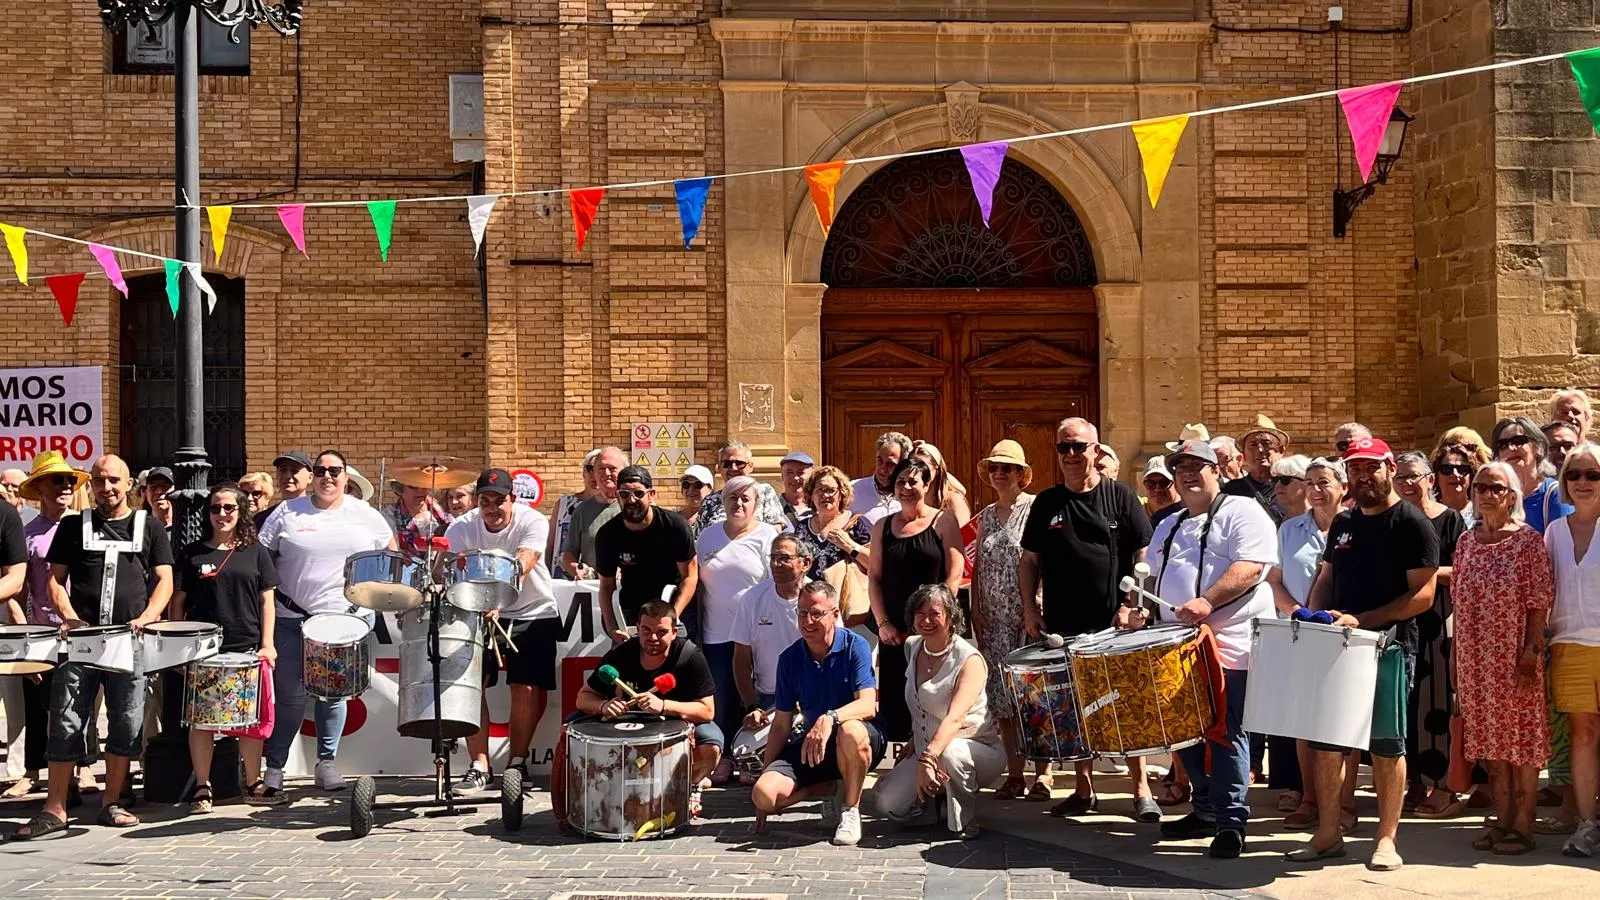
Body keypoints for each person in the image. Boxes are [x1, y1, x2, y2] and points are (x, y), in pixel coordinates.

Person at [1292, 437, 1439, 871]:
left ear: (1390, 467)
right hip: (1336, 646)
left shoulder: (1412, 522)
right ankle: (1328, 833)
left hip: (1389, 649)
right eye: (1355, 468)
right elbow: (1327, 576)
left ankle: (1386, 840)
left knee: (1386, 747)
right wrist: (1313, 612)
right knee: (1327, 745)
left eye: (1371, 467)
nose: (1363, 475)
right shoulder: (1343, 522)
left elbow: (1423, 596)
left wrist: (1366, 619)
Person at [1129, 439, 1276, 859]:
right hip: (1176, 645)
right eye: (1181, 468)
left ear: (1218, 471)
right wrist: (1138, 610)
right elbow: (1149, 578)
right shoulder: (1168, 524)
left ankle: (1231, 821)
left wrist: (1208, 600)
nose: (1189, 474)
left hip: (1229, 644)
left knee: (1225, 730)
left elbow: (1250, 567)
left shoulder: (1243, 511)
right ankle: (1207, 807)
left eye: (1199, 466)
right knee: (1180, 729)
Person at [14, 455, 173, 839]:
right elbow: (55, 581)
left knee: (126, 718)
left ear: (128, 482)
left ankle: (112, 801)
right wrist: (68, 615)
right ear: (92, 485)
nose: (107, 488)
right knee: (66, 717)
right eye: (100, 481)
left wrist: (150, 615)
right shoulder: (73, 526)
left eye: (114, 480)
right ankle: (55, 808)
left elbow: (164, 579)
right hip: (81, 641)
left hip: (128, 640)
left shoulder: (148, 525)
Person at [1018, 417, 1155, 819]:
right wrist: (1030, 608)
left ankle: (1140, 788)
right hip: (1062, 625)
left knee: (1126, 706)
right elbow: (1030, 560)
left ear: (1096, 450)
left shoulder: (1121, 497)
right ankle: (1083, 788)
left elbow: (1143, 555)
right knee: (1076, 708)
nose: (1073, 455)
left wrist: (1131, 603)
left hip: (1115, 623)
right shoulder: (1047, 502)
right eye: (1065, 448)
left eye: (1080, 447)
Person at [259, 450, 395, 795]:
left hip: (344, 622)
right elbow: (263, 558)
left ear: (346, 476)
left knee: (332, 697)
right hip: (292, 618)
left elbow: (389, 554)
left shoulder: (365, 514)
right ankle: (275, 768)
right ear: (311, 476)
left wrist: (372, 594)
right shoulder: (287, 511)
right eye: (320, 470)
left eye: (335, 471)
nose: (327, 477)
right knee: (288, 697)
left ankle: (327, 763)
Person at [1451, 459, 1553, 856]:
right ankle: (1502, 818)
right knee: (1491, 746)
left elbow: (1539, 602)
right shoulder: (1465, 542)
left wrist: (1531, 651)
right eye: (1481, 487)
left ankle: (1524, 825)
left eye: (1497, 488)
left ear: (1513, 496)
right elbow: (1458, 602)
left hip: (1515, 657)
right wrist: (1458, 662)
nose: (1487, 495)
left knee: (1522, 744)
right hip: (1477, 660)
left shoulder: (1527, 541)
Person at [444, 468, 557, 796]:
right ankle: (480, 765)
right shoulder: (463, 526)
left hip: (532, 611)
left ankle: (517, 763)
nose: (492, 508)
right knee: (469, 686)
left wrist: (499, 594)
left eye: (499, 501)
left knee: (525, 688)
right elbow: (448, 564)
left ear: (513, 499)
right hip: (476, 610)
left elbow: (526, 559)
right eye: (485, 501)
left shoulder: (532, 520)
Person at [171, 483, 282, 810]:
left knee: (248, 721)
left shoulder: (256, 552)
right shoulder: (192, 553)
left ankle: (253, 781)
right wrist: (180, 648)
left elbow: (267, 602)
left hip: (246, 647)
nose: (222, 514)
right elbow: (177, 603)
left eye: (229, 508)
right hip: (204, 651)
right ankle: (203, 787)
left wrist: (268, 644)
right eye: (215, 508)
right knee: (202, 722)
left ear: (241, 511)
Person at [751, 581, 885, 846]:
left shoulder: (854, 646)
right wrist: (765, 773)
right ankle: (822, 788)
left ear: (835, 614)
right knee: (763, 795)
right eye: (802, 613)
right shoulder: (789, 658)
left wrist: (830, 717)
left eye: (816, 613)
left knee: (850, 730)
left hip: (859, 739)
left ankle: (850, 810)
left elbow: (868, 705)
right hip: (815, 746)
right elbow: (780, 724)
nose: (808, 621)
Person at [875, 583, 1004, 838]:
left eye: (935, 613)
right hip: (927, 748)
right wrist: (916, 740)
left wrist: (927, 758)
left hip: (974, 749)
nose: (926, 620)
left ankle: (964, 820)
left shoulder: (970, 660)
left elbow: (955, 718)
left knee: (952, 752)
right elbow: (922, 705)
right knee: (889, 805)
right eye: (920, 613)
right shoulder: (912, 646)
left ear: (951, 616)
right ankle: (934, 802)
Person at [1268, 457, 1355, 828]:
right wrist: (1297, 612)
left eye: (1324, 483)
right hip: (1299, 631)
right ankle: (1308, 797)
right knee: (1305, 720)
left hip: (1345, 633)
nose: (1316, 490)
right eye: (1310, 483)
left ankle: (1344, 802)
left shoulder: (1358, 527)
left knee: (1344, 720)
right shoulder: (1289, 530)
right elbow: (1273, 580)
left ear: (1343, 487)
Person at [577, 601, 721, 818]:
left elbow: (707, 711)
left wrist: (664, 705)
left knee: (712, 743)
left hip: (675, 725)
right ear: (637, 628)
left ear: (674, 632)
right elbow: (583, 697)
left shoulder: (690, 656)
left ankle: (693, 784)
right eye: (646, 630)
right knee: (571, 729)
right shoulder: (622, 654)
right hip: (627, 725)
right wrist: (604, 706)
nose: (653, 638)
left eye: (661, 632)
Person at [12, 452, 95, 800]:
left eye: (68, 481)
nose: (65, 486)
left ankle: (82, 768)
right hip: (42, 631)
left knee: (82, 702)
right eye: (56, 480)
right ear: (40, 487)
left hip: (82, 628)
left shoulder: (87, 527)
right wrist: (23, 630)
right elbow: (15, 587)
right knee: (39, 703)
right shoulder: (26, 534)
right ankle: (34, 771)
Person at [971, 440, 1050, 800]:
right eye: (995, 468)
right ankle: (1014, 773)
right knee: (1003, 701)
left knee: (1035, 698)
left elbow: (1043, 561)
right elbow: (979, 568)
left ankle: (1043, 774)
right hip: (995, 621)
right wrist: (976, 609)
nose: (1000, 473)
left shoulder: (1036, 509)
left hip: (1027, 619)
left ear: (1021, 474)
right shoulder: (986, 515)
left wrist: (1040, 606)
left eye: (1007, 468)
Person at [868, 457, 964, 746]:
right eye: (900, 482)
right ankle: (901, 772)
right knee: (898, 704)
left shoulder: (943, 521)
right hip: (895, 633)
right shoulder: (882, 527)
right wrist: (883, 623)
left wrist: (937, 619)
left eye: (913, 481)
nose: (907, 487)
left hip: (933, 629)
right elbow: (874, 577)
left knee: (934, 698)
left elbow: (955, 573)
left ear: (926, 484)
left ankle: (933, 763)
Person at [1393, 451, 1467, 817]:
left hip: (1438, 620)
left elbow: (1465, 570)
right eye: (1400, 477)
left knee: (1436, 703)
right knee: (1404, 705)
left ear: (1429, 479)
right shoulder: (1393, 521)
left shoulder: (1450, 519)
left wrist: (1422, 572)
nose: (1407, 484)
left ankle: (1443, 787)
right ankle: (1413, 782)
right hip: (1400, 619)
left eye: (1414, 476)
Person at [697, 475, 778, 778]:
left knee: (754, 697)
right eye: (733, 497)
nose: (739, 503)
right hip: (717, 633)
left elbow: (774, 584)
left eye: (746, 498)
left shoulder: (767, 535)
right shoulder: (707, 536)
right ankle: (723, 757)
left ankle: (752, 759)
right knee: (721, 697)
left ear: (756, 504)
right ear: (723, 502)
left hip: (758, 634)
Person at [1548, 442, 1600, 856]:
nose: (1582, 482)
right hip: (1569, 645)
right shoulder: (1554, 532)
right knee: (1583, 735)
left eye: (1592, 474)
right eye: (1574, 474)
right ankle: (1587, 825)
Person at [595, 466, 697, 640]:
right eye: (625, 494)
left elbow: (690, 576)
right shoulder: (608, 534)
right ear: (617, 496)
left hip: (674, 605)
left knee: (680, 663)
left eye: (638, 493)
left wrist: (671, 619)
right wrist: (612, 628)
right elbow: (606, 586)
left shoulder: (675, 526)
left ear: (651, 494)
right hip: (634, 613)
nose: (632, 500)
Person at [732, 534, 808, 715]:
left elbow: (833, 653)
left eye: (784, 558)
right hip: (768, 698)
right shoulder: (752, 599)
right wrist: (751, 706)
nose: (776, 564)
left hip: (811, 695)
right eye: (773, 558)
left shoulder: (820, 600)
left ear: (805, 563)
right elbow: (741, 659)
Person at [792, 466, 873, 582]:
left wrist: (849, 545)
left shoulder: (856, 524)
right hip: (810, 596)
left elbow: (875, 564)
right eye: (819, 490)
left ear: (841, 494)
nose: (825, 495)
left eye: (831, 490)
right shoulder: (802, 527)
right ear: (811, 495)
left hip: (843, 596)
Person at [691, 440, 788, 537]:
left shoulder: (764, 492)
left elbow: (776, 529)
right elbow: (699, 538)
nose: (733, 468)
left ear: (750, 467)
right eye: (726, 464)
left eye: (739, 463)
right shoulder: (710, 501)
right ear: (719, 468)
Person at [1492, 416, 1571, 534]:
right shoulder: (1497, 496)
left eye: (1518, 441)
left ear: (1538, 447)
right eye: (1502, 445)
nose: (1510, 448)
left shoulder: (1555, 494)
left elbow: (1564, 545)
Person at [561, 446, 626, 578]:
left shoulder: (635, 507)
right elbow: (569, 552)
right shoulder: (582, 511)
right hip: (593, 590)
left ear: (624, 472)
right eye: (601, 468)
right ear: (595, 473)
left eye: (612, 468)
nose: (606, 473)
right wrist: (574, 568)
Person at [1222, 414, 1289, 524]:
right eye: (1253, 445)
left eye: (1266, 443)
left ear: (1281, 450)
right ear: (1243, 454)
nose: (1260, 449)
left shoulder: (1291, 486)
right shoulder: (1230, 491)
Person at [549, 448, 601, 577]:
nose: (595, 475)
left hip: (598, 581)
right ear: (583, 472)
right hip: (562, 580)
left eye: (600, 469)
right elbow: (550, 545)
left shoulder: (617, 506)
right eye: (590, 469)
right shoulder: (564, 504)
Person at [850, 431, 911, 527]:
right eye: (880, 460)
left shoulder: (910, 494)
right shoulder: (853, 490)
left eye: (890, 464)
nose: (882, 469)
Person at [1431, 431, 1489, 526]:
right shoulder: (1427, 515)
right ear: (1436, 475)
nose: (1455, 474)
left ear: (1471, 476)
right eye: (1447, 469)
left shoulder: (1483, 516)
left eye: (1462, 469)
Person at [913, 441, 972, 527]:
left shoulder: (954, 500)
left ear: (936, 468)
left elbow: (965, 535)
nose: (917, 470)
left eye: (922, 465)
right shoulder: (913, 499)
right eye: (912, 465)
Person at [259, 450, 312, 532]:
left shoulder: (316, 515)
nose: (288, 475)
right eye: (283, 470)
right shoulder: (263, 518)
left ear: (310, 477)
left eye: (294, 470)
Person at [778, 451, 814, 528]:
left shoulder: (819, 508)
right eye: (790, 472)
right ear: (782, 476)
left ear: (811, 476)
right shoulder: (774, 508)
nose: (795, 478)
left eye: (800, 472)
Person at [1141, 456, 1181, 525]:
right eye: (1150, 484)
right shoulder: (1137, 511)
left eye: (1164, 483)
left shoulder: (1188, 511)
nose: (1157, 489)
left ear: (1176, 482)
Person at [142, 466, 176, 541]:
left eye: (165, 487)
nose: (159, 492)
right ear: (145, 492)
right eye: (153, 487)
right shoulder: (140, 528)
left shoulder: (183, 527)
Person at [677, 464, 714, 529]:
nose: (691, 490)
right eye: (686, 484)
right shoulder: (673, 519)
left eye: (697, 485)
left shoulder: (716, 520)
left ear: (710, 489)